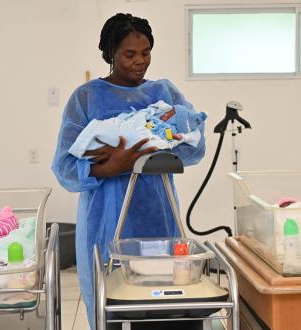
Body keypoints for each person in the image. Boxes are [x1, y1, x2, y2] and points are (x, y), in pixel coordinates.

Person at [51, 13, 206, 329]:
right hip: (104, 226)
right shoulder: (87, 98)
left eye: (146, 52)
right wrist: (112, 166)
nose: (140, 62)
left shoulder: (164, 94)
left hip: (159, 221)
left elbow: (194, 148)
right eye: (130, 54)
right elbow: (65, 167)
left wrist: (161, 140)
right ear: (110, 54)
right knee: (111, 307)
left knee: (162, 310)